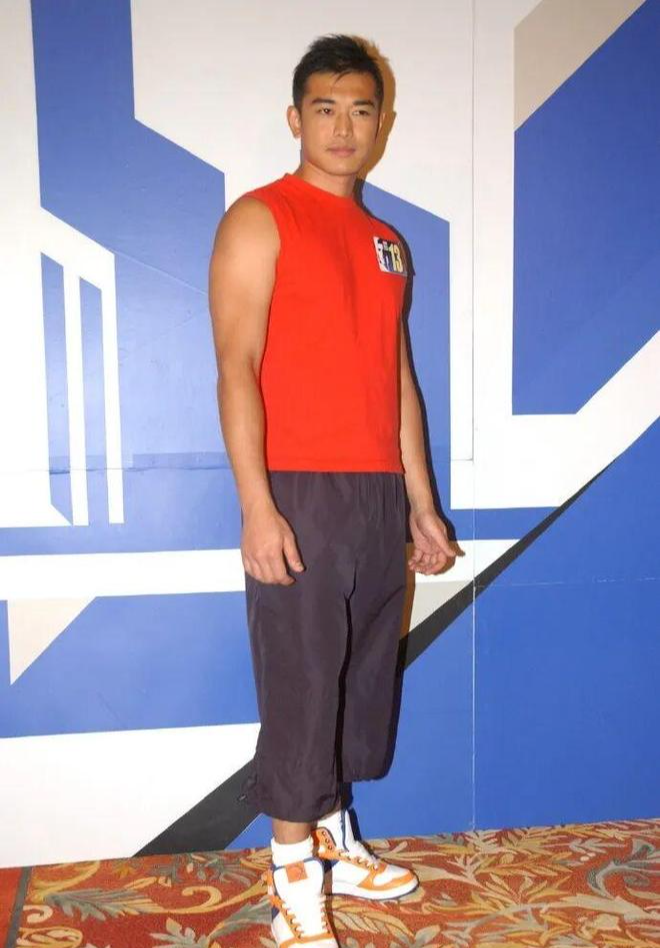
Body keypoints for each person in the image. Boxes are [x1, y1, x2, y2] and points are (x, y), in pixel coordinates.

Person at [208, 32, 455, 948]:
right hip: (299, 488)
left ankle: (334, 837)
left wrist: (419, 502)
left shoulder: (388, 244)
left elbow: (398, 380)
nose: (344, 128)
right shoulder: (260, 218)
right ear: (296, 117)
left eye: (361, 110)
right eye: (326, 108)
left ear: (381, 124)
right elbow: (235, 365)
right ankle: (290, 878)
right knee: (303, 679)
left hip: (376, 490)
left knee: (358, 679)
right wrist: (257, 504)